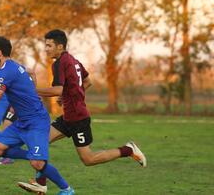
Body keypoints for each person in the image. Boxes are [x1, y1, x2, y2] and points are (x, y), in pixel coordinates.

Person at [18, 29, 147, 194]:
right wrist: (71, 96)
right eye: (46, 45)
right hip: (69, 116)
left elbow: (58, 89)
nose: (46, 49)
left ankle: (128, 150)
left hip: (78, 119)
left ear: (60, 46)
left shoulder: (60, 63)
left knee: (88, 159)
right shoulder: (74, 61)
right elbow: (87, 82)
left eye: (49, 45)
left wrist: (33, 91)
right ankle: (41, 183)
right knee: (40, 142)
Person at [0, 37, 75, 195]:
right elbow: (31, 72)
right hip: (22, 121)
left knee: (38, 163)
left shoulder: (5, 71)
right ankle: (36, 158)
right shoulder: (13, 65)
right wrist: (28, 93)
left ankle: (66, 189)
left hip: (36, 121)